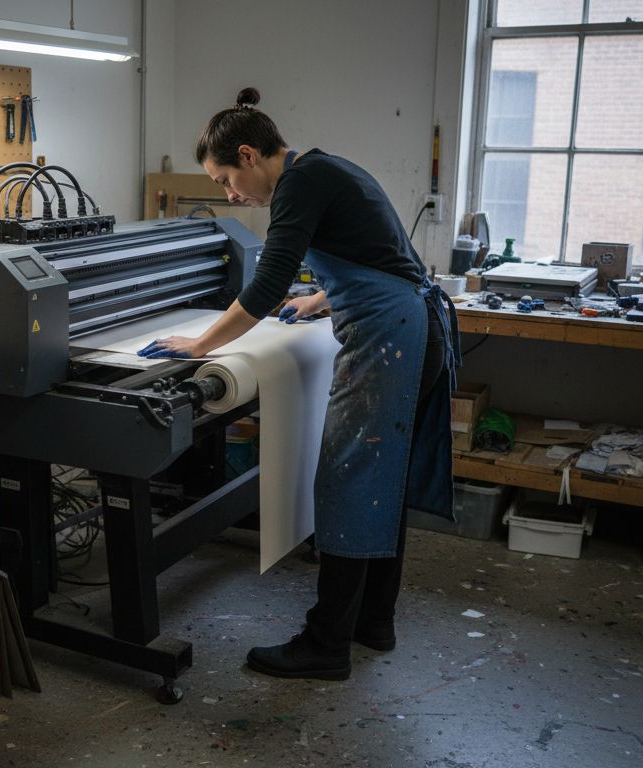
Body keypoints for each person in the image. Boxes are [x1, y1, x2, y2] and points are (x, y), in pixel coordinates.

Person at [137, 87, 460, 681]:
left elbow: (262, 288)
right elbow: (380, 254)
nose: (231, 195)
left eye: (227, 180)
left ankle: (325, 645)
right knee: (379, 484)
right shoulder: (322, 166)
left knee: (348, 482)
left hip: (392, 339)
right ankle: (372, 623)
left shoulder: (297, 186)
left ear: (249, 155)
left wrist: (203, 344)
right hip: (411, 326)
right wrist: (323, 297)